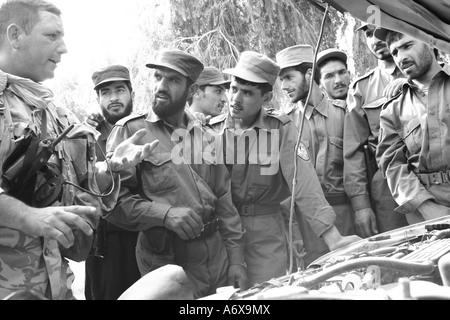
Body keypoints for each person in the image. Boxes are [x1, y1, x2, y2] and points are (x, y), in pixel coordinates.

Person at [0, 0, 157, 300]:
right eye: (52, 36)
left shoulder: (58, 116)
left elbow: (79, 189)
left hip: (56, 286)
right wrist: (28, 217)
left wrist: (111, 169)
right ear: (15, 35)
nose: (64, 48)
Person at [209, 50, 361, 287]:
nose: (236, 99)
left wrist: (333, 238)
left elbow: (303, 182)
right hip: (222, 236)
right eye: (234, 88)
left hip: (264, 236)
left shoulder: (280, 129)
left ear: (266, 97)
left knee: (267, 293)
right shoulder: (213, 132)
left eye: (248, 93)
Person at [104, 49, 247, 298]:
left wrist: (236, 260)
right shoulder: (131, 132)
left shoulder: (207, 136)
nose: (161, 86)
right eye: (158, 77)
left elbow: (225, 202)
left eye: (173, 80)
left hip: (217, 259)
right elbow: (113, 204)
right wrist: (165, 214)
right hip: (167, 265)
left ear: (191, 91)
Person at [276, 45, 356, 266]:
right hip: (308, 224)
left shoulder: (346, 114)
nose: (283, 86)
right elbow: (286, 188)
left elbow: (360, 172)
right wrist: (294, 234)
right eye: (281, 80)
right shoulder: (286, 124)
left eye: (289, 78)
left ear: (309, 74)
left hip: (346, 215)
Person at [375, 29, 450, 223]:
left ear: (430, 42)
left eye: (407, 46)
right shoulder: (392, 111)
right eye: (394, 52)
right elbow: (393, 166)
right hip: (427, 215)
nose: (401, 57)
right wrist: (427, 209)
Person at [343, 22, 408, 238]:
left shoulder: (435, 73)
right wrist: (361, 206)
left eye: (380, 30)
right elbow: (353, 153)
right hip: (388, 187)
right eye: (369, 34)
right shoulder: (361, 89)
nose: (375, 40)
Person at [84, 65, 141, 300]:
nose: (114, 98)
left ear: (132, 94)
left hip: (144, 240)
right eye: (106, 93)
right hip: (104, 247)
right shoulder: (87, 136)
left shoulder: (146, 129)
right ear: (98, 99)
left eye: (120, 90)